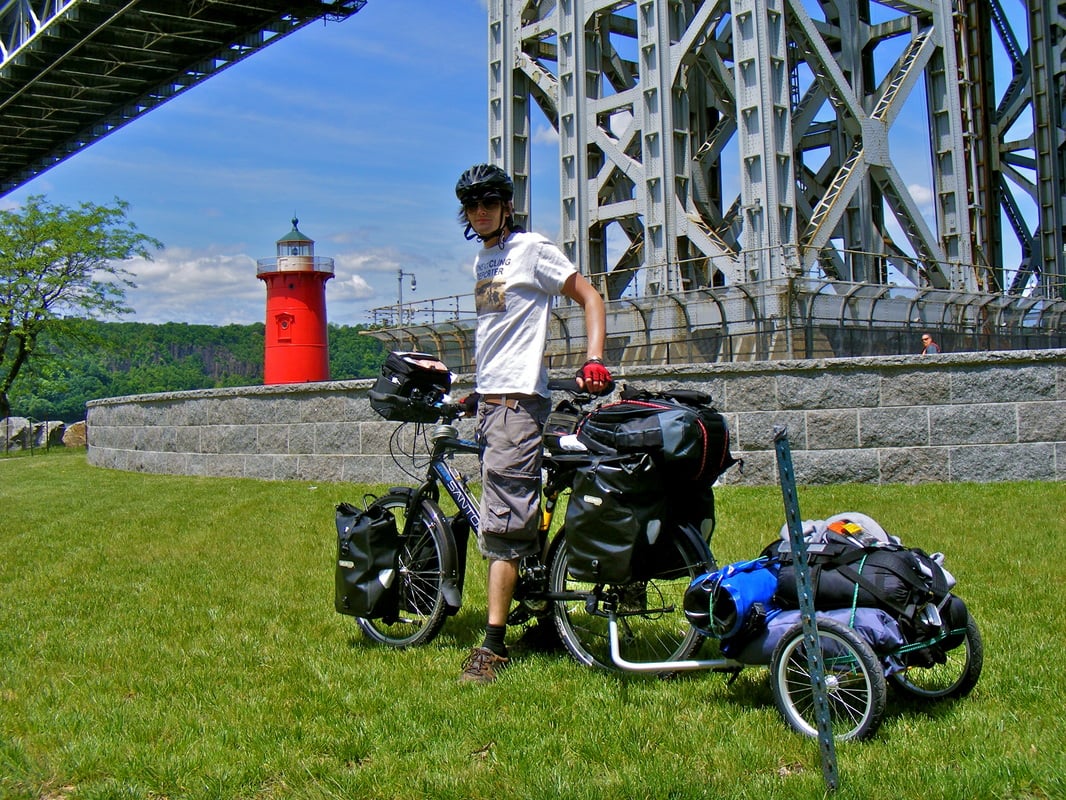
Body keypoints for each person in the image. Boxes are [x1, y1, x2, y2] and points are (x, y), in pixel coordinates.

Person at [454, 163, 611, 684]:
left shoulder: (532, 249)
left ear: (506, 206)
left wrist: (593, 359)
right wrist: (477, 388)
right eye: (473, 205)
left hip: (518, 406)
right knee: (520, 508)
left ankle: (493, 646)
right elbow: (499, 330)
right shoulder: (484, 258)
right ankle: (544, 616)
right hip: (493, 402)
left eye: (489, 203)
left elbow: (590, 296)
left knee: (501, 521)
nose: (481, 212)